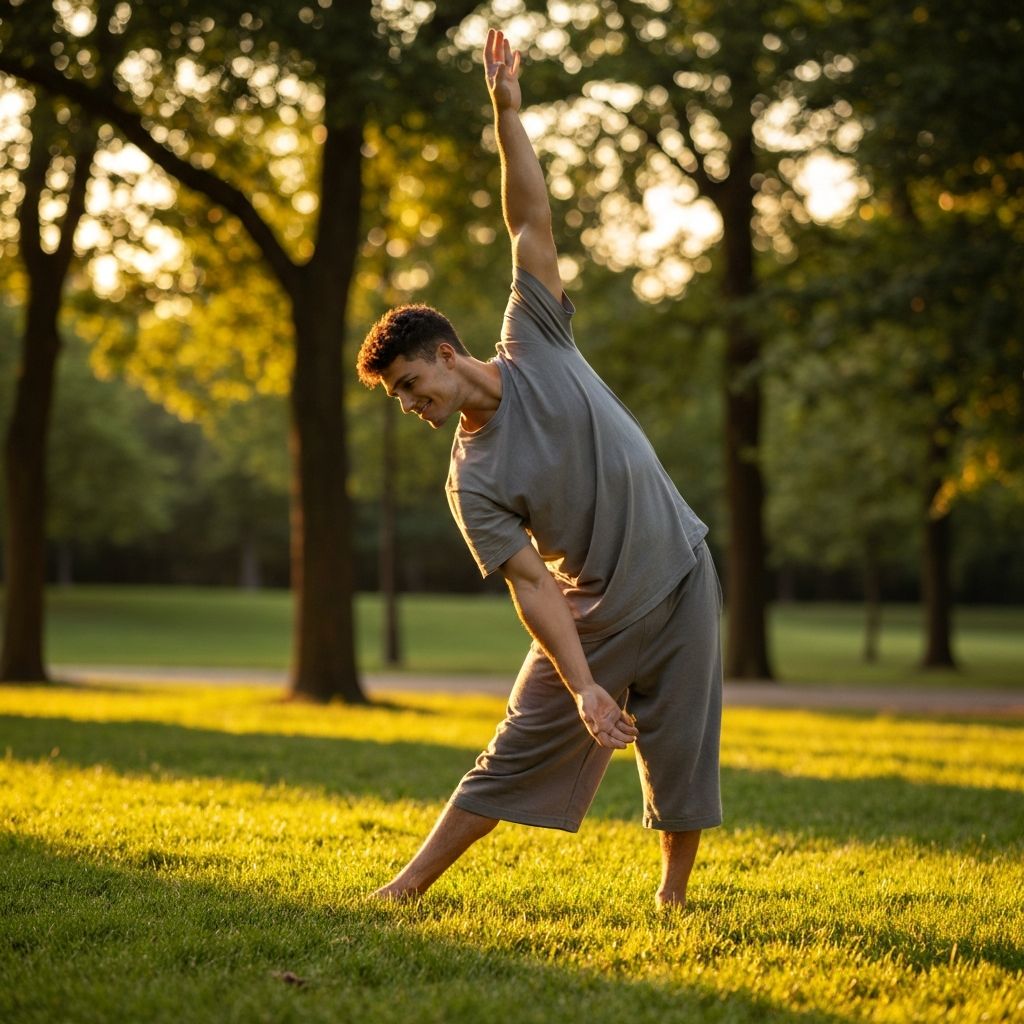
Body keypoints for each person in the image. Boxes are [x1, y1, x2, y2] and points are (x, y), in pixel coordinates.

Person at [355, 28, 723, 910]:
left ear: (447, 355)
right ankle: (404, 889)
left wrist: (507, 110)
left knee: (681, 752)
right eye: (399, 398)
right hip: (594, 609)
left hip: (681, 567)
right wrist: (585, 684)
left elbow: (529, 219)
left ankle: (673, 904)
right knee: (516, 747)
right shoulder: (469, 477)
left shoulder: (537, 337)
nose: (412, 404)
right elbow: (530, 584)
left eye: (412, 384)